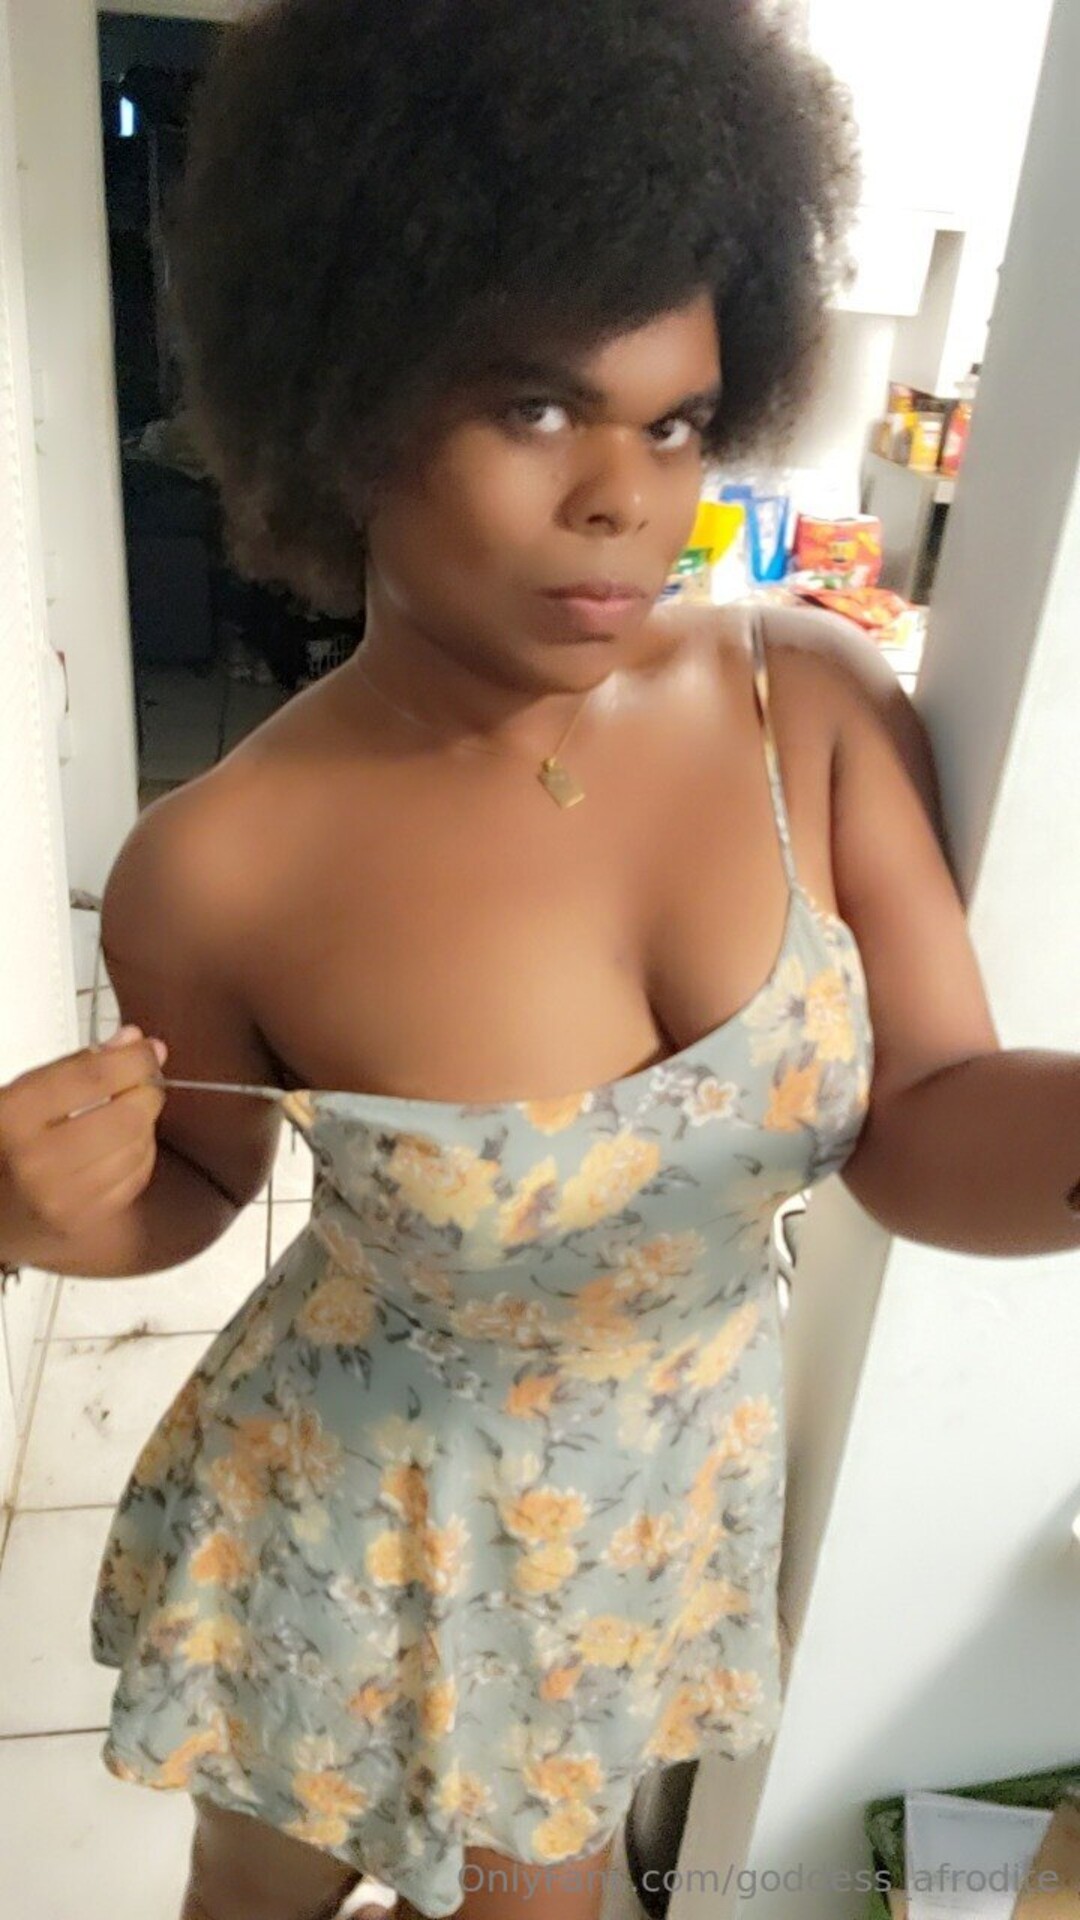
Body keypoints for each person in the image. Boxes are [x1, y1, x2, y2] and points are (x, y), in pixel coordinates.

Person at [3, 4, 1078, 1919]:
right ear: (346, 399)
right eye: (533, 408)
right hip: (344, 1520)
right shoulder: (221, 863)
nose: (624, 496)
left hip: (637, 1526)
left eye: (673, 422)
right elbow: (193, 1192)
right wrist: (27, 1217)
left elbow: (921, 1122)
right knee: (255, 1902)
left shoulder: (806, 707)